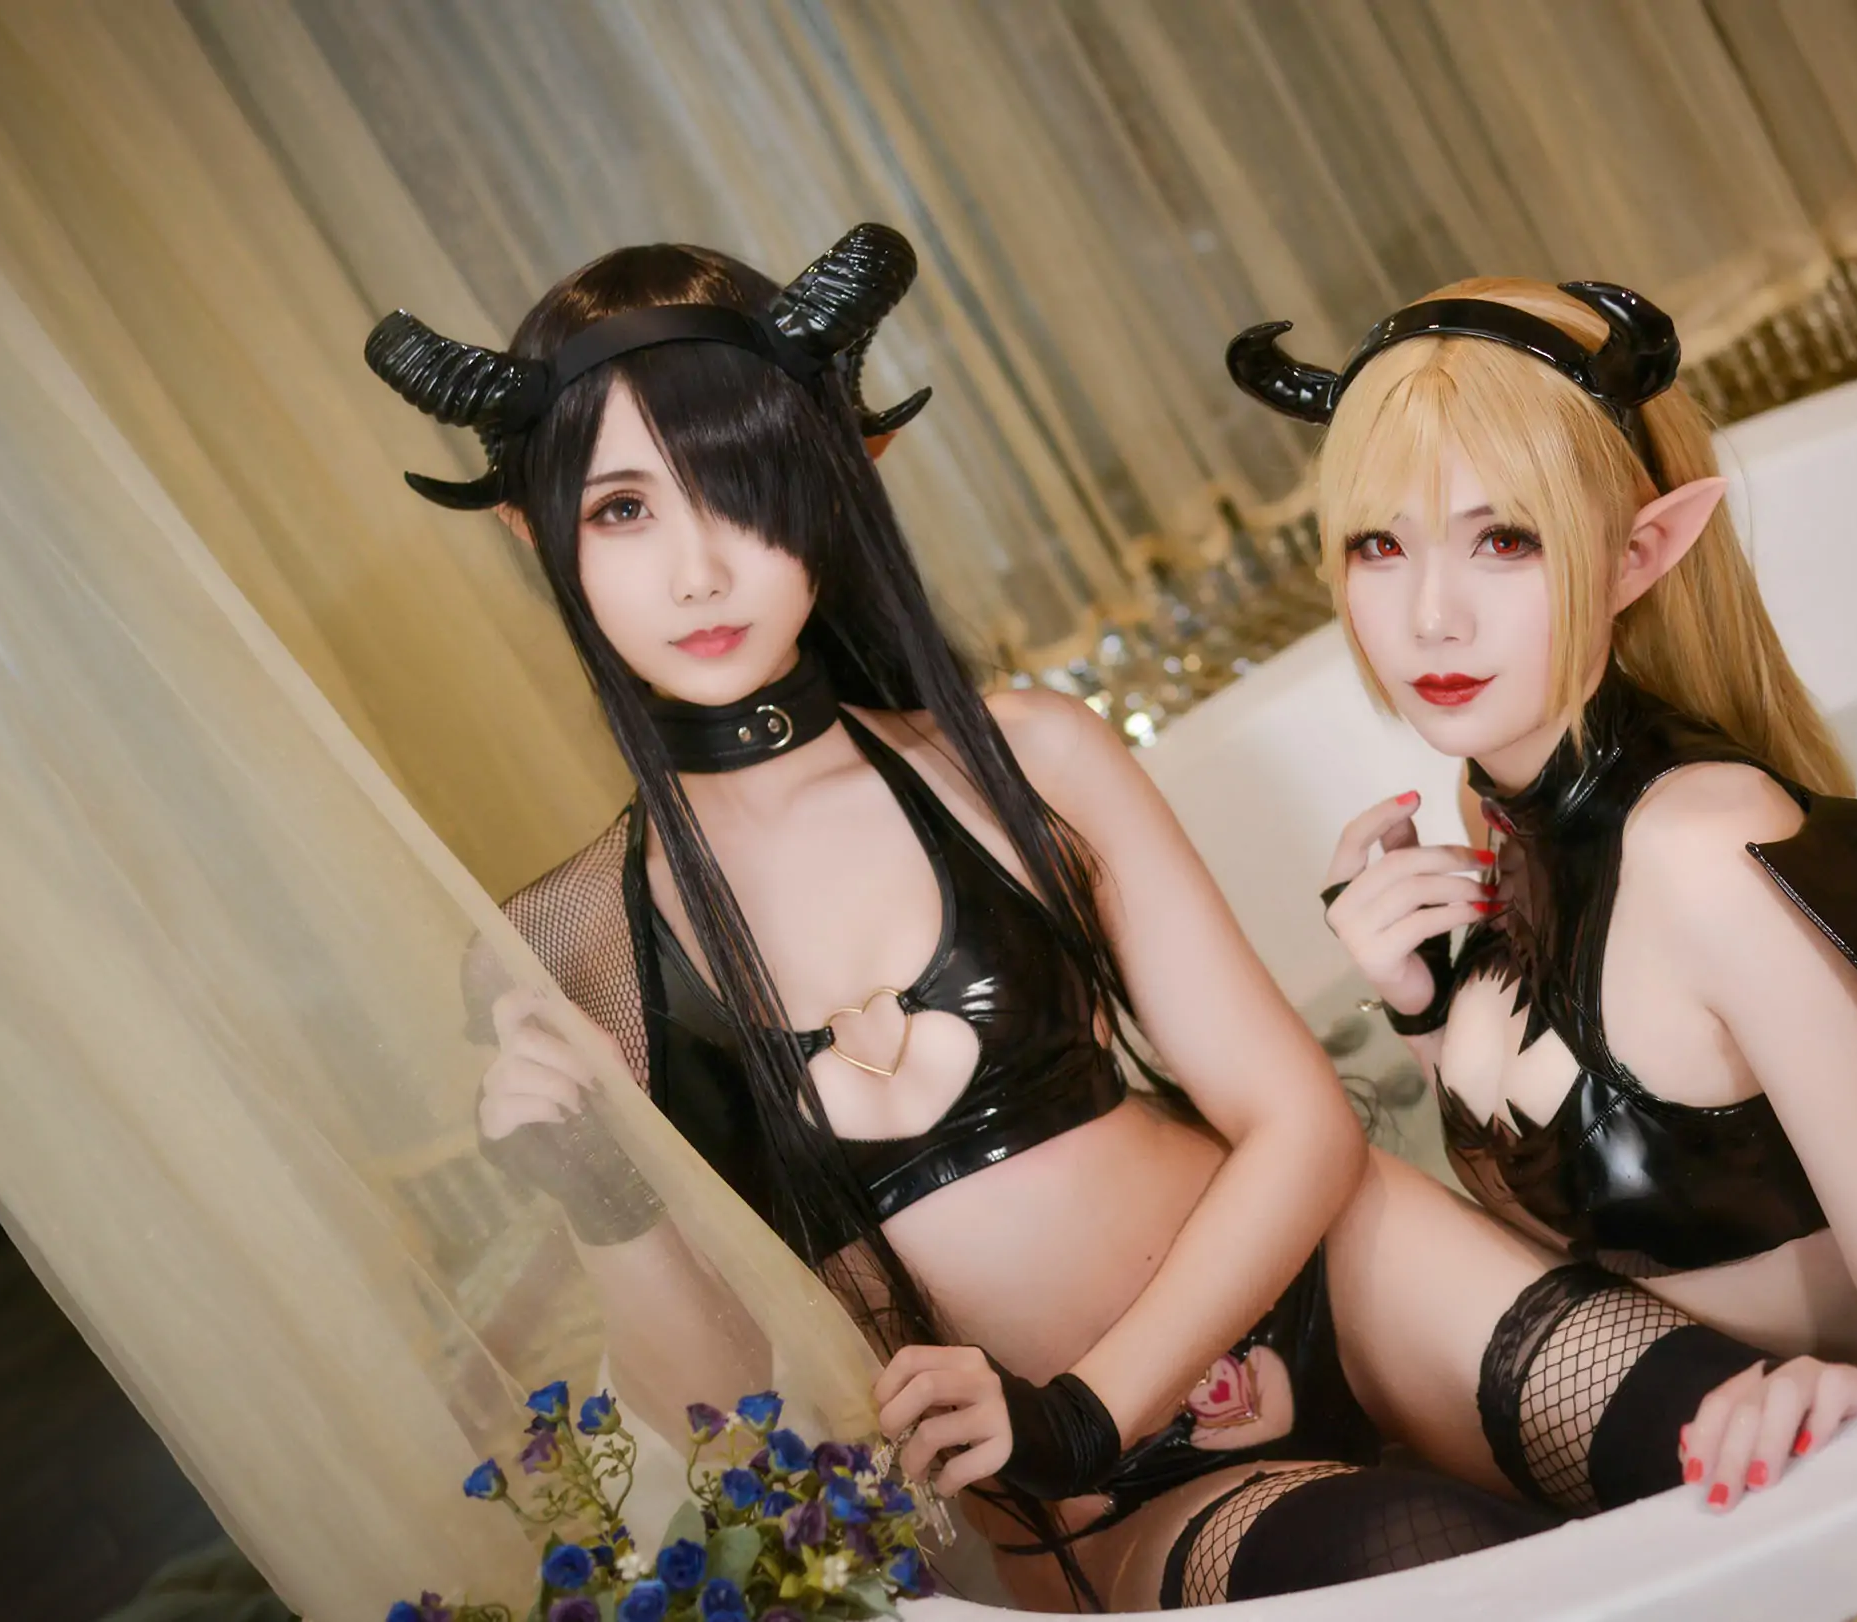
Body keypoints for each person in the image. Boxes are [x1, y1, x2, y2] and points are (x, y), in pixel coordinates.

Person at [366, 227, 1590, 1611]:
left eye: (742, 486)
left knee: (1722, 1442)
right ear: (533, 527)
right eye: (624, 510)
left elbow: (1296, 1117)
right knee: (1433, 1564)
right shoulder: (564, 948)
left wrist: (1087, 1404)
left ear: (836, 477)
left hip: (1343, 1278)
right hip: (1101, 1498)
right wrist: (603, 1199)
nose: (699, 569)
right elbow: (716, 1413)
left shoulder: (1020, 754)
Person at [1227, 276, 1857, 1519]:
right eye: (1378, 545)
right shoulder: (1495, 796)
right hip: (1756, 1384)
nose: (1430, 616)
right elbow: (1568, 1178)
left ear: (1641, 550)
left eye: (1505, 539)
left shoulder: (1709, 848)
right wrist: (1423, 1004)